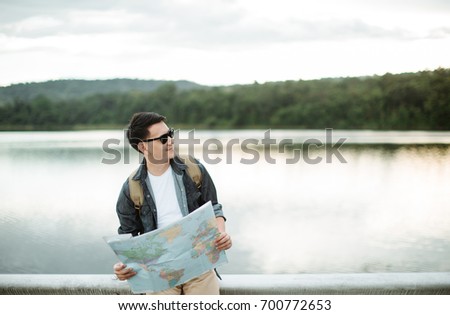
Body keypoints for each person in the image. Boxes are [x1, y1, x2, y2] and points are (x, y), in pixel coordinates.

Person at [113, 112, 232, 295]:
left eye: (170, 134)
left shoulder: (193, 169)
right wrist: (124, 267)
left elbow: (214, 208)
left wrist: (221, 233)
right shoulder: (131, 188)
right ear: (143, 147)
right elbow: (128, 237)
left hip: (199, 262)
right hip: (159, 273)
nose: (170, 141)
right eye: (162, 139)